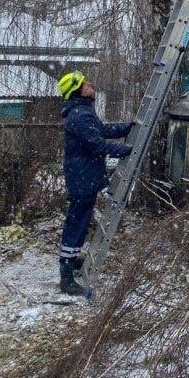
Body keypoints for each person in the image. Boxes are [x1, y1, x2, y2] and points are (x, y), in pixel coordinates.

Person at [57, 71, 133, 295]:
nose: (90, 84)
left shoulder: (83, 110)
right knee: (77, 223)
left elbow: (102, 131)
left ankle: (70, 262)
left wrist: (127, 128)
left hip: (84, 176)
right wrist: (127, 151)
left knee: (79, 221)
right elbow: (97, 144)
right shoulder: (79, 115)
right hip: (83, 177)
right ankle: (67, 276)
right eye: (84, 83)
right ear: (78, 90)